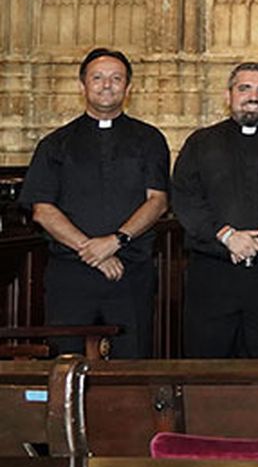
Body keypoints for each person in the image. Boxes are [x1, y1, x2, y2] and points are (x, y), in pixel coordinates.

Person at [20, 48, 169, 358]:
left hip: (130, 271)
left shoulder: (150, 139)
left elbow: (157, 201)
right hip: (70, 275)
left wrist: (116, 241)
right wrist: (94, 251)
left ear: (129, 88)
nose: (107, 85)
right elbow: (43, 210)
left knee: (132, 365)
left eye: (117, 79)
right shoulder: (55, 144)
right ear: (82, 85)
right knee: (65, 364)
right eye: (97, 78)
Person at [170, 63, 258, 358]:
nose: (253, 96)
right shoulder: (201, 143)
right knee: (206, 367)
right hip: (213, 274)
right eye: (244, 88)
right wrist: (226, 236)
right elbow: (186, 197)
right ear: (228, 95)